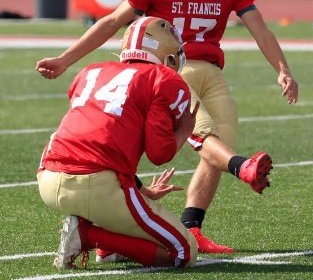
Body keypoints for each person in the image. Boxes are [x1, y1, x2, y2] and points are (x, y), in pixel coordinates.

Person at [36, 0, 298, 254]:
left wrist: (282, 68)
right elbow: (113, 21)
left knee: (219, 145)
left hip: (212, 70)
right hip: (170, 71)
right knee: (204, 133)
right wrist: (65, 59)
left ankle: (193, 227)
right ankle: (242, 167)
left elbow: (260, 28)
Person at [37, 17, 199, 269]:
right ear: (167, 55)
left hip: (47, 177)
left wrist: (139, 189)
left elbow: (98, 135)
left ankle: (110, 246)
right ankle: (88, 236)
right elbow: (160, 153)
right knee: (184, 252)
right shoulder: (162, 78)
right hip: (96, 185)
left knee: (120, 202)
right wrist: (186, 129)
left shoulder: (90, 71)